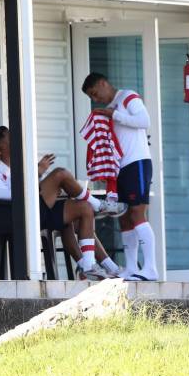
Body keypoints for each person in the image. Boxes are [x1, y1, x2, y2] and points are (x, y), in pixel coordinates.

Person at [0, 134, 111, 280]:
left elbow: (14, 188)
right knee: (60, 174)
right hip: (22, 214)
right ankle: (99, 204)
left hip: (30, 209)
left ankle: (88, 266)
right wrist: (20, 194)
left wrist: (32, 187)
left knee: (84, 208)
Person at [82, 73, 157, 281]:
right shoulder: (108, 108)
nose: (96, 99)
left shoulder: (128, 96)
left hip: (138, 162)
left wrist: (114, 115)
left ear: (103, 83)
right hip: (119, 167)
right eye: (92, 97)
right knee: (123, 218)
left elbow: (144, 121)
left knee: (137, 213)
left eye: (95, 93)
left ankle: (151, 268)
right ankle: (131, 268)